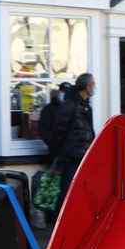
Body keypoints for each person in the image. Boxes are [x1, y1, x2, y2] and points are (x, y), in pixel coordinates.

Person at [53, 73, 96, 209]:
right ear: (87, 86)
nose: (94, 87)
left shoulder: (86, 106)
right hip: (71, 157)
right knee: (68, 190)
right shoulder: (70, 105)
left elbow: (88, 130)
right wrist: (63, 152)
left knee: (81, 191)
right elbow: (59, 132)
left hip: (83, 155)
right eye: (93, 84)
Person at [38, 88, 64, 164]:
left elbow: (42, 128)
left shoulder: (47, 109)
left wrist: (49, 141)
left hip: (54, 144)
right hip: (59, 144)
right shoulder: (63, 108)